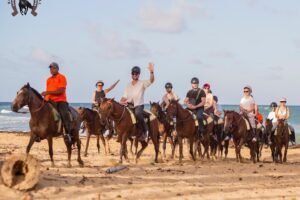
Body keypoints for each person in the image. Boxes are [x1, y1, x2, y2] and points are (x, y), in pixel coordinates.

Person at [120, 63, 155, 141]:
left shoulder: (142, 83)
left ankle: (144, 132)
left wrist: (151, 72)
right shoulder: (128, 85)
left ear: (139, 74)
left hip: (139, 105)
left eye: (137, 73)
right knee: (121, 114)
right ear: (131, 74)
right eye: (133, 73)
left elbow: (151, 80)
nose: (135, 74)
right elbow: (124, 96)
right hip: (129, 105)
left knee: (138, 114)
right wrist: (121, 100)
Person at [41, 62, 72, 144]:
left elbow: (61, 91)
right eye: (50, 68)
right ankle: (39, 132)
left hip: (60, 100)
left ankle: (67, 134)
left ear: (57, 69)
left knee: (63, 114)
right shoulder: (48, 79)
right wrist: (44, 99)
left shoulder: (62, 77)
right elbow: (48, 92)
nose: (51, 70)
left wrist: (47, 92)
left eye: (53, 68)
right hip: (49, 101)